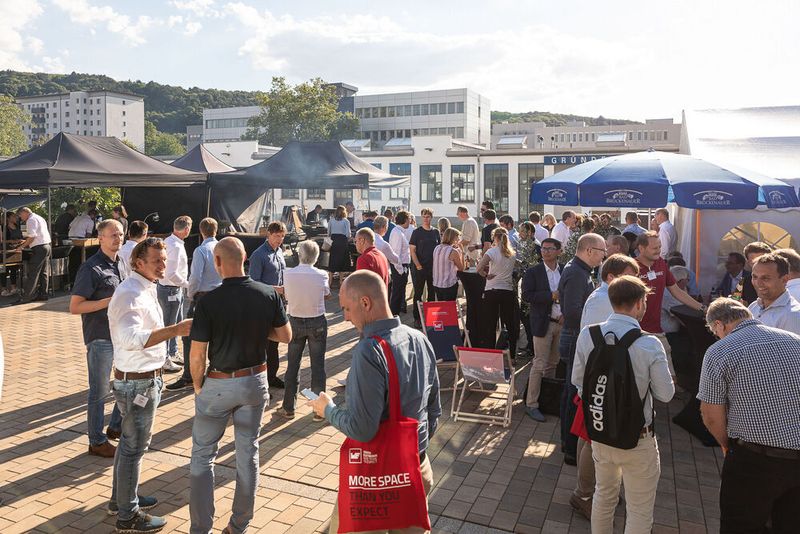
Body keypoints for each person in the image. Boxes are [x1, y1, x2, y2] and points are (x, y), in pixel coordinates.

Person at [307, 270, 441, 534]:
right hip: (416, 469)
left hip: (375, 480)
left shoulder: (369, 350)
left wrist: (328, 409)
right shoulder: (419, 339)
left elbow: (362, 429)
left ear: (365, 303)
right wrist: (414, 447)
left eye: (346, 309)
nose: (345, 317)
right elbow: (434, 410)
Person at [188, 237, 291, 534]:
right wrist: (257, 329)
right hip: (255, 381)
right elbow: (285, 336)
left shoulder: (208, 301)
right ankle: (239, 524)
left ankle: (201, 527)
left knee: (202, 456)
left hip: (219, 383)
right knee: (248, 454)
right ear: (245, 259)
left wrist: (197, 385)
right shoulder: (267, 293)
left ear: (217, 262)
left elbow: (197, 354)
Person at [572, 275, 675, 533]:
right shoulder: (649, 343)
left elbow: (578, 382)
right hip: (637, 437)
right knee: (639, 509)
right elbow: (665, 395)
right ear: (640, 303)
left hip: (601, 432)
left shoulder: (588, 334)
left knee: (603, 495)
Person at [107, 237, 192, 532]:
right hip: (137, 384)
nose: (163, 265)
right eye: (156, 260)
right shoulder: (130, 293)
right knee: (134, 448)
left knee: (128, 446)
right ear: (139, 262)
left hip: (141, 380)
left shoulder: (145, 287)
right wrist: (176, 330)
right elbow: (131, 338)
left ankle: (121, 499)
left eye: (164, 259)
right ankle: (128, 514)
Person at [698, 298, 800, 534]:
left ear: (719, 325)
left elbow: (710, 414)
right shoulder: (796, 342)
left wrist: (726, 446)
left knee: (740, 526)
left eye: (715, 331)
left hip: (753, 459)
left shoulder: (719, 351)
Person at [568, 254, 641, 519]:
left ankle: (589, 490)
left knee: (587, 438)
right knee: (591, 441)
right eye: (630, 276)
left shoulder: (604, 297)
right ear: (612, 277)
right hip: (601, 384)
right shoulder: (604, 301)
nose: (636, 282)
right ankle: (584, 494)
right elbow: (599, 344)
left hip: (597, 382)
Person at [69, 219, 124, 458]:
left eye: (120, 234)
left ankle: (116, 426)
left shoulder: (121, 263)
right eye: (113, 235)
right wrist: (108, 302)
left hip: (121, 336)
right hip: (100, 337)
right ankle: (96, 441)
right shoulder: (91, 268)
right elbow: (75, 306)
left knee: (124, 385)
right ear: (100, 238)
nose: (118, 238)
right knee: (99, 392)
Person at [558, 233, 606, 464]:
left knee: (570, 391)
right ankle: (569, 447)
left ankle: (567, 443)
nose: (603, 257)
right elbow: (572, 312)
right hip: (574, 336)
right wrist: (593, 326)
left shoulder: (579, 270)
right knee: (572, 392)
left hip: (575, 335)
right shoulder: (577, 273)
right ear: (589, 250)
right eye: (602, 252)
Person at [635, 231, 704, 379]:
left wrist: (702, 308)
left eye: (659, 247)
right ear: (641, 248)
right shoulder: (632, 267)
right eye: (654, 248)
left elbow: (677, 291)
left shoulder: (661, 263)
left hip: (657, 330)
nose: (658, 251)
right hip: (635, 332)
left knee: (669, 376)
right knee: (641, 377)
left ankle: (671, 391)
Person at [166, 218, 223, 391]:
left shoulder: (201, 250)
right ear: (216, 230)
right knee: (216, 337)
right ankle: (214, 373)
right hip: (220, 296)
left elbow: (196, 277)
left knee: (189, 337)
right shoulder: (223, 248)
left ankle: (189, 376)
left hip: (203, 298)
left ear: (201, 231)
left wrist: (191, 294)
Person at [279, 240, 329, 420]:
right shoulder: (322, 274)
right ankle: (319, 410)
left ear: (300, 255)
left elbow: (286, 294)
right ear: (316, 257)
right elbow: (326, 294)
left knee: (293, 365)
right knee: (318, 366)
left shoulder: (288, 273)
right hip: (317, 320)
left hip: (295, 320)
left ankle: (288, 407)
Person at [521, 237, 563, 422]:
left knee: (553, 363)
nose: (545, 251)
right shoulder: (533, 272)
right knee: (539, 363)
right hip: (542, 323)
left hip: (561, 323)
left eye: (550, 249)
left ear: (559, 251)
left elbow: (570, 294)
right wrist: (550, 296)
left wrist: (566, 313)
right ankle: (531, 404)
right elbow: (526, 295)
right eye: (543, 248)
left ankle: (546, 399)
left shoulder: (564, 270)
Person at [249, 221, 288, 388]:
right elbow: (253, 283)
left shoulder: (279, 251)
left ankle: (271, 376)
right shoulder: (258, 255)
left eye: (282, 236)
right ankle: (261, 380)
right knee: (264, 344)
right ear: (269, 234)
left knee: (275, 343)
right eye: (277, 236)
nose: (280, 239)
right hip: (264, 305)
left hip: (279, 303)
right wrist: (277, 289)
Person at [477, 227, 519, 357]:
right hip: (507, 290)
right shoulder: (512, 253)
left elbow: (479, 268)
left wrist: (485, 275)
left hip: (492, 289)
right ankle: (512, 354)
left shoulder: (491, 251)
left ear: (495, 237)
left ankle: (491, 354)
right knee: (510, 324)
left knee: (491, 323)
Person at [158, 215, 192, 373]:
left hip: (172, 289)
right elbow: (171, 273)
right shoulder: (176, 246)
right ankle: (164, 358)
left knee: (176, 324)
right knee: (169, 326)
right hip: (170, 290)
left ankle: (172, 352)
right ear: (187, 229)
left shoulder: (171, 241)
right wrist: (187, 284)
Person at [748, 253, 800, 335]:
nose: (758, 283)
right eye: (755, 277)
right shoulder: (753, 307)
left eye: (765, 278)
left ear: (784, 279)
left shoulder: (793, 315)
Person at [13, 207, 52, 303]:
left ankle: (26, 297)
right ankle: (43, 294)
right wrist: (25, 241)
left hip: (39, 248)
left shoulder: (30, 220)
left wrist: (21, 247)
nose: (20, 218)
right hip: (47, 246)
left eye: (20, 215)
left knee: (33, 273)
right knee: (43, 272)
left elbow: (32, 237)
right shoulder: (39, 217)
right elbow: (36, 235)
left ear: (25, 212)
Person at [410, 208, 440, 328]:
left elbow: (439, 249)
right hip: (420, 267)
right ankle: (417, 318)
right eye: (424, 216)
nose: (426, 219)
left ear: (431, 217)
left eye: (428, 216)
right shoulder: (417, 232)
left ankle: (430, 317)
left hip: (433, 268)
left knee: (432, 293)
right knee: (418, 293)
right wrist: (418, 265)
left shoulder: (436, 232)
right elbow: (412, 250)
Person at [388, 210, 412, 315]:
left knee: (399, 292)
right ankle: (394, 315)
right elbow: (395, 254)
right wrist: (401, 270)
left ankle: (395, 314)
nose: (410, 222)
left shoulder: (399, 231)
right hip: (400, 267)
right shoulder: (397, 233)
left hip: (401, 266)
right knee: (397, 293)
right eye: (409, 220)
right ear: (405, 220)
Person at [432, 227, 464, 301]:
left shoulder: (436, 248)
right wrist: (462, 252)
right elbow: (461, 268)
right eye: (458, 237)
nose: (459, 240)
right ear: (453, 238)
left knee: (442, 305)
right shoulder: (453, 251)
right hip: (448, 284)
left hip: (437, 283)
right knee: (449, 306)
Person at [327, 205, 352, 284]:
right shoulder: (346, 221)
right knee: (342, 262)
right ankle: (341, 282)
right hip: (342, 242)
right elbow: (348, 234)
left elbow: (328, 233)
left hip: (334, 241)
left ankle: (330, 282)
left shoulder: (331, 220)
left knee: (333, 260)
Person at [1, 212, 23, 297]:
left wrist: (21, 241)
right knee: (4, 270)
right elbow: (1, 240)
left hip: (15, 250)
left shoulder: (17, 226)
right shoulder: (3, 228)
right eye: (14, 216)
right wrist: (12, 241)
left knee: (14, 269)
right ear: (8, 218)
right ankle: (3, 289)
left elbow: (21, 237)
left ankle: (14, 287)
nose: (16, 218)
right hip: (5, 251)